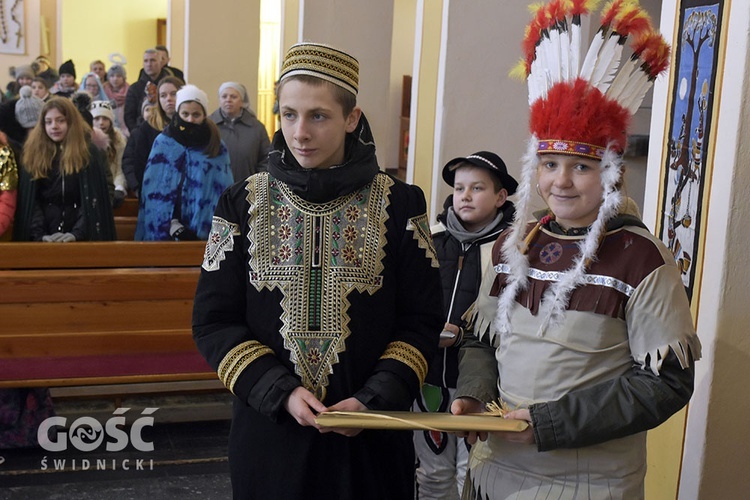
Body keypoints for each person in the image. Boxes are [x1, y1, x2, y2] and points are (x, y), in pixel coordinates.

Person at [450, 2, 702, 498]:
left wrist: (549, 423)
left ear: (612, 173)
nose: (560, 181)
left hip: (589, 484)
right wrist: (473, 396)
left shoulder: (641, 258)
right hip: (493, 471)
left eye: (581, 167)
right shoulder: (511, 247)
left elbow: (666, 382)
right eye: (549, 164)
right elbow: (479, 339)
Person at [191, 42, 443, 500]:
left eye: (318, 116)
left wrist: (373, 400)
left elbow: (421, 321)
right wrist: (280, 392)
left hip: (370, 441)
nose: (299, 132)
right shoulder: (240, 203)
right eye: (288, 115)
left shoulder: (403, 204)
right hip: (270, 439)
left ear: (351, 118)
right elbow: (213, 321)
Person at [414, 151, 517, 499]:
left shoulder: (512, 249)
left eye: (477, 188)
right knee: (431, 473)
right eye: (459, 188)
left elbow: (514, 316)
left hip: (480, 384)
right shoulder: (432, 238)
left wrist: (463, 336)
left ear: (501, 197)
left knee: (471, 473)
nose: (466, 196)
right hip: (429, 377)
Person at [135, 84, 231, 240]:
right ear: (178, 113)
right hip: (166, 226)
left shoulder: (216, 145)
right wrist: (171, 223)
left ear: (204, 115)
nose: (190, 119)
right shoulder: (163, 143)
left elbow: (221, 190)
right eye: (185, 113)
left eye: (196, 114)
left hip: (204, 227)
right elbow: (153, 189)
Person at [13, 97, 116, 242]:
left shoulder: (88, 153)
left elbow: (93, 200)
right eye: (48, 122)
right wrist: (40, 235)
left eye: (60, 120)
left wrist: (77, 233)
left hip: (83, 236)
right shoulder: (33, 153)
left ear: (71, 122)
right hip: (42, 235)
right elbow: (30, 202)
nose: (54, 126)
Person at [122, 75, 183, 197]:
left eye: (173, 94)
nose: (169, 99)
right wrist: (139, 188)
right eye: (163, 95)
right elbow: (138, 163)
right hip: (154, 193)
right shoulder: (147, 127)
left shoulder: (191, 126)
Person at [209, 81, 270, 181]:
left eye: (233, 97)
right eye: (224, 96)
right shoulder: (209, 125)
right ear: (219, 100)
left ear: (242, 101)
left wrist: (257, 181)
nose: (228, 100)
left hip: (247, 188)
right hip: (215, 186)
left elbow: (266, 159)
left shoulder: (257, 127)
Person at [124, 48, 171, 132]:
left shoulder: (170, 86)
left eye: (153, 60)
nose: (149, 64)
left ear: (161, 63)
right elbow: (129, 116)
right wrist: (137, 133)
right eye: (146, 61)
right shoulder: (134, 88)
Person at [91, 100, 127, 207]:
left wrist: (119, 188)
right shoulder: (84, 140)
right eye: (96, 119)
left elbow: (121, 169)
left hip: (112, 188)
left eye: (105, 118)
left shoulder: (119, 140)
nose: (101, 122)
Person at [103, 64, 130, 136]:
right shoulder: (103, 92)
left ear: (124, 78)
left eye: (119, 76)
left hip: (126, 131)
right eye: (112, 76)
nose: (115, 79)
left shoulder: (130, 91)